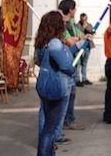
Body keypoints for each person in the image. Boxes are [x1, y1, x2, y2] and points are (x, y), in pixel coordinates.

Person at [35, 11, 76, 156]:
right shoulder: (55, 43)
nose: (64, 24)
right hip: (57, 86)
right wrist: (73, 69)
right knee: (51, 128)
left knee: (47, 123)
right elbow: (66, 66)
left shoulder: (41, 42)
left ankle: (48, 152)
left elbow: (38, 61)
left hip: (44, 85)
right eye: (62, 22)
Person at [57, 0, 86, 135]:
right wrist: (79, 39)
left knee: (72, 94)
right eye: (74, 9)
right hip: (67, 63)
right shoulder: (62, 24)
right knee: (65, 95)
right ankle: (62, 123)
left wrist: (81, 37)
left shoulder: (72, 23)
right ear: (70, 9)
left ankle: (68, 120)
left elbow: (77, 36)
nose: (75, 12)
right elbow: (69, 41)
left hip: (74, 62)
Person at [77, 12, 95, 86]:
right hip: (80, 46)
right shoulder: (77, 25)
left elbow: (92, 32)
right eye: (82, 19)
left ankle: (84, 78)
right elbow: (78, 33)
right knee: (78, 64)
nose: (84, 20)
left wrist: (86, 26)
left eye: (85, 19)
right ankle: (77, 79)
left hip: (87, 46)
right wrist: (83, 27)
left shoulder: (89, 25)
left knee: (84, 63)